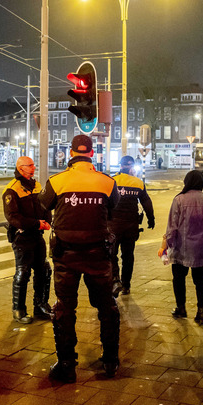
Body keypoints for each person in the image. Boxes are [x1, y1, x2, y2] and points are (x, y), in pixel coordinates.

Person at [39, 135, 121, 382]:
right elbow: (112, 207)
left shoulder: (57, 181)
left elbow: (44, 204)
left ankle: (66, 364)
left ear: (71, 153)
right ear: (92, 153)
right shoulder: (107, 182)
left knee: (65, 307)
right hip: (98, 255)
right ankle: (109, 361)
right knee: (106, 307)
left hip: (66, 256)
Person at [159, 170, 203, 325]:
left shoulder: (179, 200)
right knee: (201, 280)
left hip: (182, 249)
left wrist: (166, 246)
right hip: (202, 250)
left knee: (178, 279)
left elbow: (172, 227)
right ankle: (201, 312)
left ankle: (181, 308)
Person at [2, 156, 53, 324]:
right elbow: (13, 217)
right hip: (22, 236)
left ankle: (40, 306)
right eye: (29, 165)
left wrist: (47, 221)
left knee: (43, 270)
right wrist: (37, 223)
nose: (33, 168)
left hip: (37, 236)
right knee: (23, 273)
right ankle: (19, 309)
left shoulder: (37, 185)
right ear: (20, 167)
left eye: (33, 165)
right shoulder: (12, 189)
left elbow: (45, 206)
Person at [109, 156, 155, 296]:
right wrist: (151, 219)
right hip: (131, 226)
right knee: (128, 255)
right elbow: (146, 202)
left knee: (111, 254)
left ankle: (115, 279)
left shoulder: (112, 181)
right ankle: (126, 285)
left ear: (120, 165)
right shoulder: (138, 183)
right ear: (132, 167)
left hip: (113, 226)